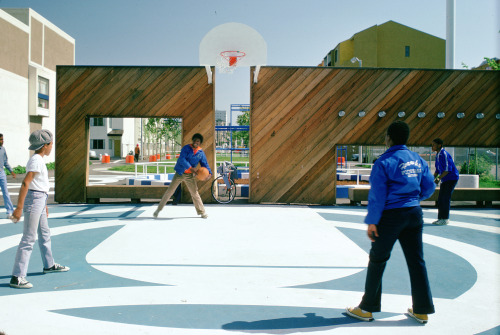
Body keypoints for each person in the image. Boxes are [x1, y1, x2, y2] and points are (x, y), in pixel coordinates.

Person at [346, 121, 436, 324]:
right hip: (414, 213)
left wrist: (372, 221)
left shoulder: (384, 162)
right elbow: (429, 186)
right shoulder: (417, 160)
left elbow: (377, 195)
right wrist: (414, 199)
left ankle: (366, 308)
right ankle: (421, 310)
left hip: (391, 216)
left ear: (389, 138)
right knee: (417, 261)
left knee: (378, 259)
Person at [10, 129, 69, 289]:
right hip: (34, 200)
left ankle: (49, 265)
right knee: (28, 238)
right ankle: (17, 276)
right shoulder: (36, 160)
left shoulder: (38, 159)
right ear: (45, 145)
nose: (52, 147)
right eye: (51, 145)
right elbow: (26, 184)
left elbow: (39, 185)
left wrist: (44, 205)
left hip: (40, 200)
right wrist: (19, 208)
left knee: (44, 234)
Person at [153, 133, 212, 219]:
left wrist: (209, 173)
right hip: (180, 173)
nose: (196, 142)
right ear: (193, 140)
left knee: (195, 193)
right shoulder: (186, 148)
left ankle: (202, 212)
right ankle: (158, 210)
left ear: (200, 143)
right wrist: (190, 168)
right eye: (195, 140)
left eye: (198, 141)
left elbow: (205, 164)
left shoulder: (201, 153)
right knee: (170, 191)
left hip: (189, 176)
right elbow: (182, 159)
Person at [431, 138, 459, 225]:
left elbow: (447, 170)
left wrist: (438, 179)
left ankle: (445, 219)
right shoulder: (437, 155)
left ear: (439, 145)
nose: (432, 146)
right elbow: (437, 171)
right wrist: (431, 180)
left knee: (445, 199)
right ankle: (440, 218)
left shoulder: (444, 154)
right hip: (445, 179)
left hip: (451, 178)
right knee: (440, 199)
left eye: (433, 145)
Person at [0, 133, 16, 219]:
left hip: (1, 173)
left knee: (5, 192)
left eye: (3, 139)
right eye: (1, 139)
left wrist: (11, 171)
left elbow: (5, 162)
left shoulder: (3, 149)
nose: (2, 141)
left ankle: (10, 211)